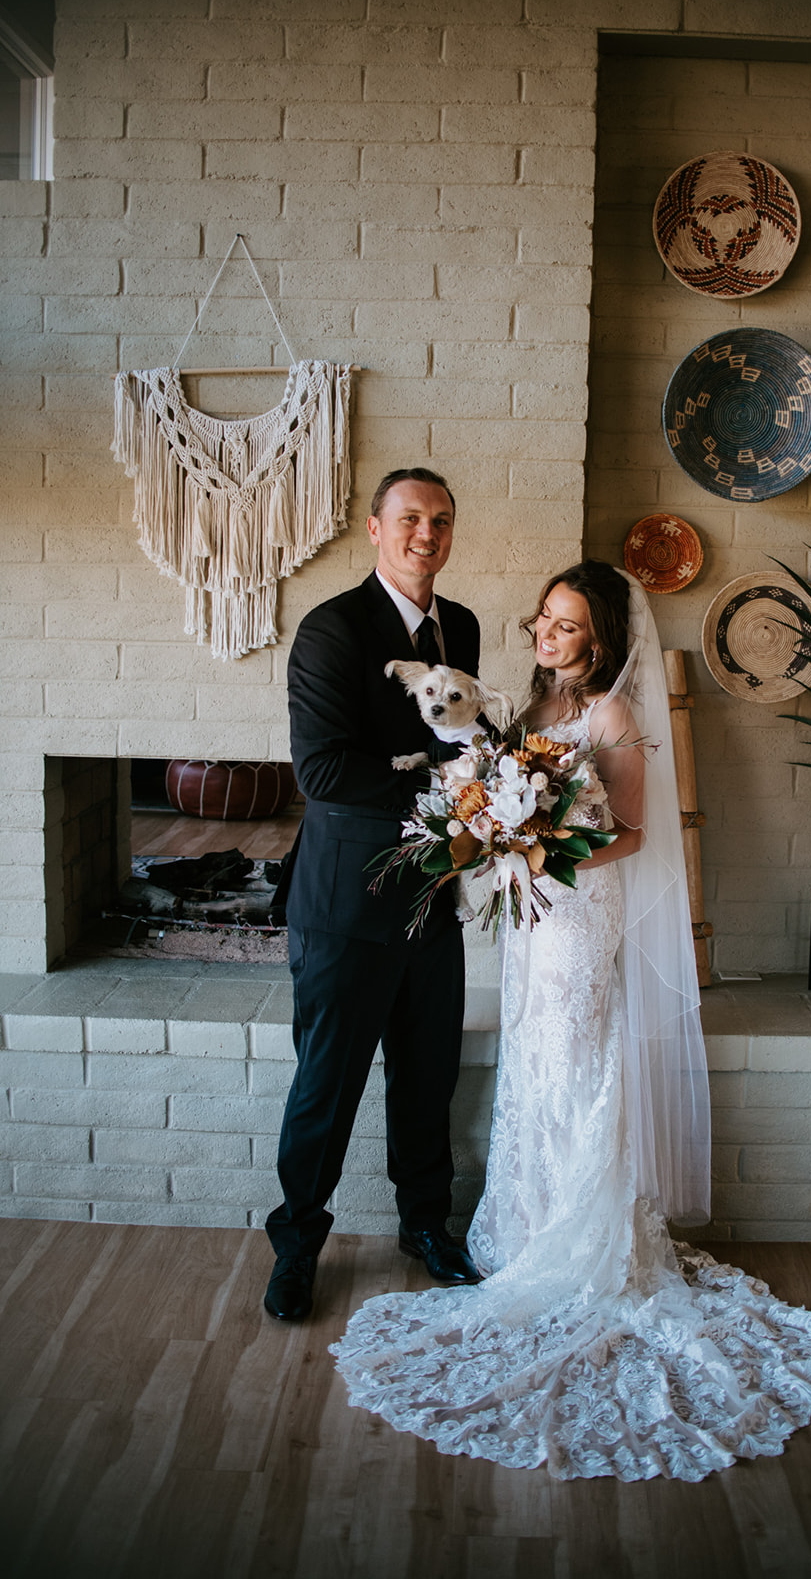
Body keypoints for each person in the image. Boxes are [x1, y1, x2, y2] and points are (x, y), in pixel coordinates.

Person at [331, 561, 811, 1480]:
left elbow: (635, 834)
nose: (545, 635)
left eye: (565, 626)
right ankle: (529, 1232)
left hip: (576, 913)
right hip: (533, 917)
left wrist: (539, 843)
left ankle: (582, 1240)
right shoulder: (528, 714)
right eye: (542, 620)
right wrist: (498, 834)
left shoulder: (611, 716)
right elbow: (502, 792)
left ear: (599, 639)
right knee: (537, 1061)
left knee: (574, 1059)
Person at [263, 468, 482, 1322]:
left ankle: (425, 1227)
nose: (426, 534)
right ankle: (295, 1249)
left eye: (442, 520)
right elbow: (321, 772)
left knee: (427, 1081)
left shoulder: (458, 624)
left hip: (432, 896)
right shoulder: (331, 628)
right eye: (411, 519)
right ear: (375, 528)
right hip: (346, 903)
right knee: (327, 1084)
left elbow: (462, 731)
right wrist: (449, 792)